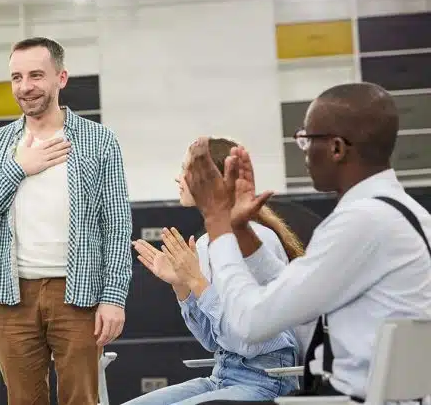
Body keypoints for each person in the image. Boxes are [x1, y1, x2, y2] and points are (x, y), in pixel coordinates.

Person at [164, 82, 431, 403]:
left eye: (306, 139)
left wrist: (218, 222)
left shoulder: (359, 223)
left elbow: (250, 323)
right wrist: (240, 230)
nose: (302, 151)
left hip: (346, 396)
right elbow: (297, 301)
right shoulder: (402, 214)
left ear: (336, 148)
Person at [0, 37, 133, 405]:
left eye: (36, 75)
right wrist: (18, 169)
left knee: (81, 400)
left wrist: (114, 298)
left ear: (61, 78)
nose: (25, 86)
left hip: (78, 293)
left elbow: (117, 225)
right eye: (17, 77)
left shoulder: (99, 141)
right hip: (12, 296)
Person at [126, 138, 302, 405]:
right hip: (223, 374)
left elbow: (247, 340)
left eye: (186, 170)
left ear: (213, 180)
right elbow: (212, 340)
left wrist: (196, 281)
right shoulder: (207, 243)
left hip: (267, 379)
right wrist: (181, 285)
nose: (178, 178)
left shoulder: (255, 242)